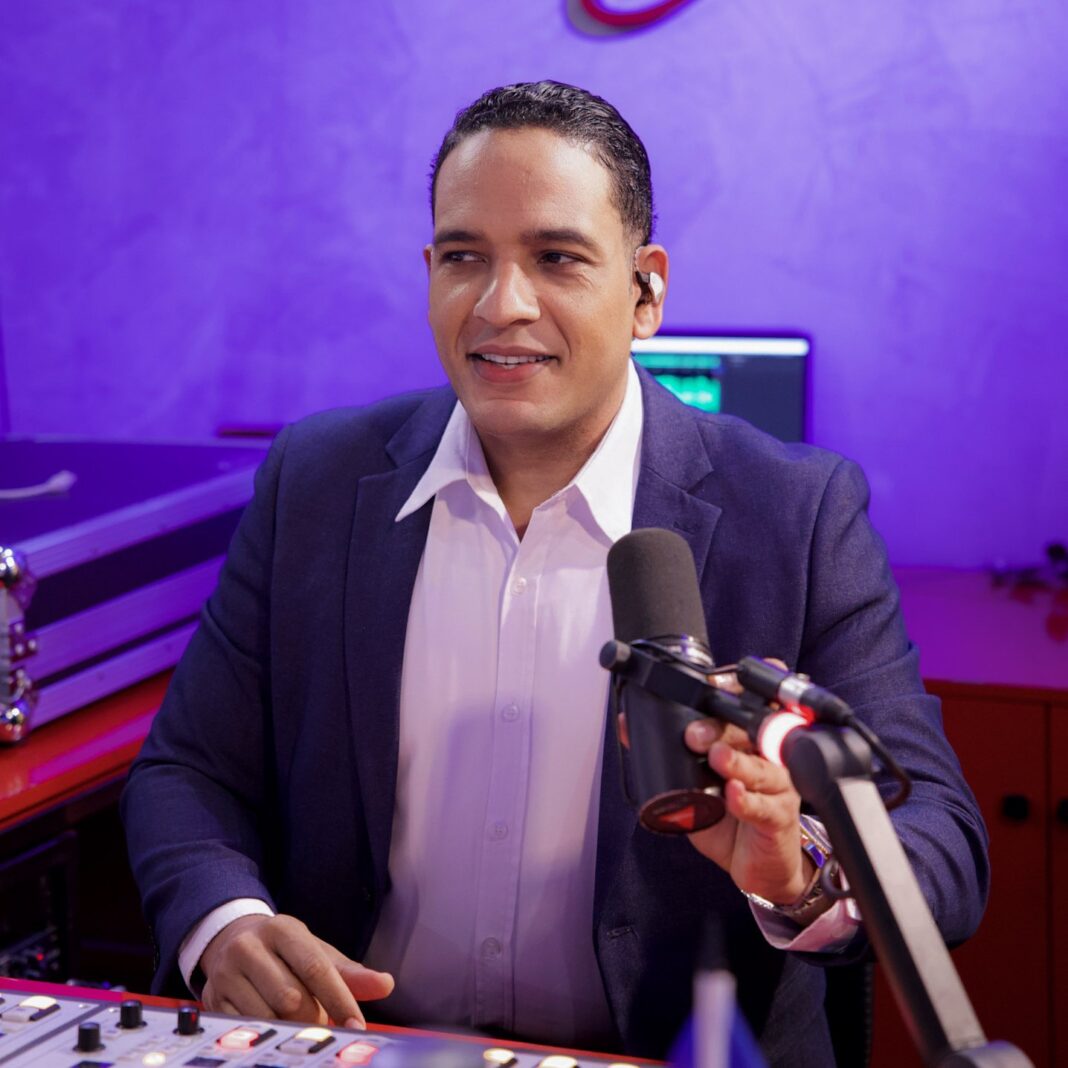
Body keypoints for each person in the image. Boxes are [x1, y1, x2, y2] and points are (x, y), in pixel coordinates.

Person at [121, 81, 988, 1064]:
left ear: (647, 291)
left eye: (557, 258)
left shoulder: (797, 513)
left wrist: (800, 876)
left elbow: (943, 844)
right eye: (464, 258)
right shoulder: (313, 481)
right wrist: (226, 924)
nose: (502, 305)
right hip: (364, 1047)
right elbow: (188, 770)